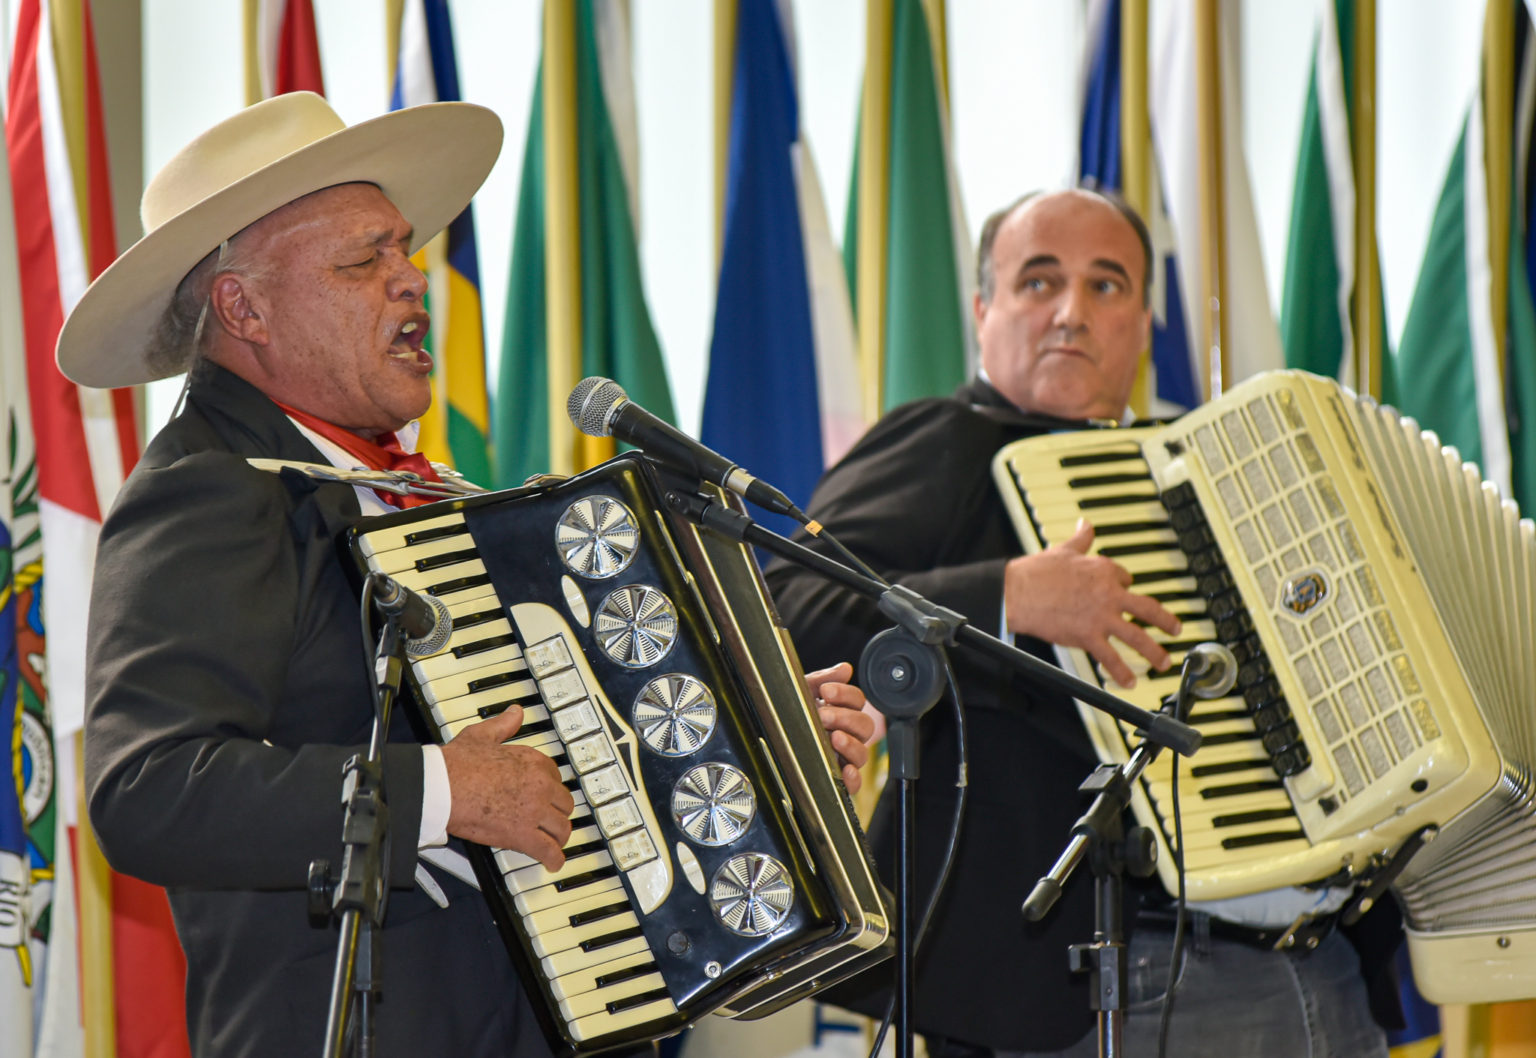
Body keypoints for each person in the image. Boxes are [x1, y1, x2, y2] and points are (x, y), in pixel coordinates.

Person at [64, 92, 875, 1058]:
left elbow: (568, 759)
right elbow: (149, 789)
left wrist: (763, 748)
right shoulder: (210, 491)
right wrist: (443, 792)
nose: (413, 283)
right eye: (364, 260)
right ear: (245, 308)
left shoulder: (428, 496)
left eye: (404, 249)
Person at [764, 188, 1401, 1057]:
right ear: (984, 310)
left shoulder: (1221, 466)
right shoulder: (948, 441)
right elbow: (788, 615)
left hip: (1317, 968)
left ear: (1143, 323)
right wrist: (1006, 595)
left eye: (1106, 286)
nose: (1071, 311)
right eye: (1038, 282)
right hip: (1081, 984)